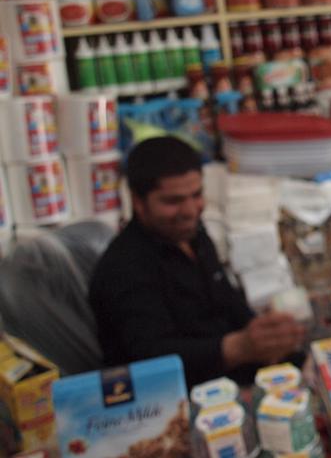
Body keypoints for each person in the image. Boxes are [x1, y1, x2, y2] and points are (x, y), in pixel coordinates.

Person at [89, 137, 305, 387]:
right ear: (138, 202)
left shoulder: (192, 236)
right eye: (173, 201)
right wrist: (239, 347)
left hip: (233, 377)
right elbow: (151, 363)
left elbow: (226, 300)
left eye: (197, 195)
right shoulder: (124, 269)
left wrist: (267, 334)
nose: (191, 210)